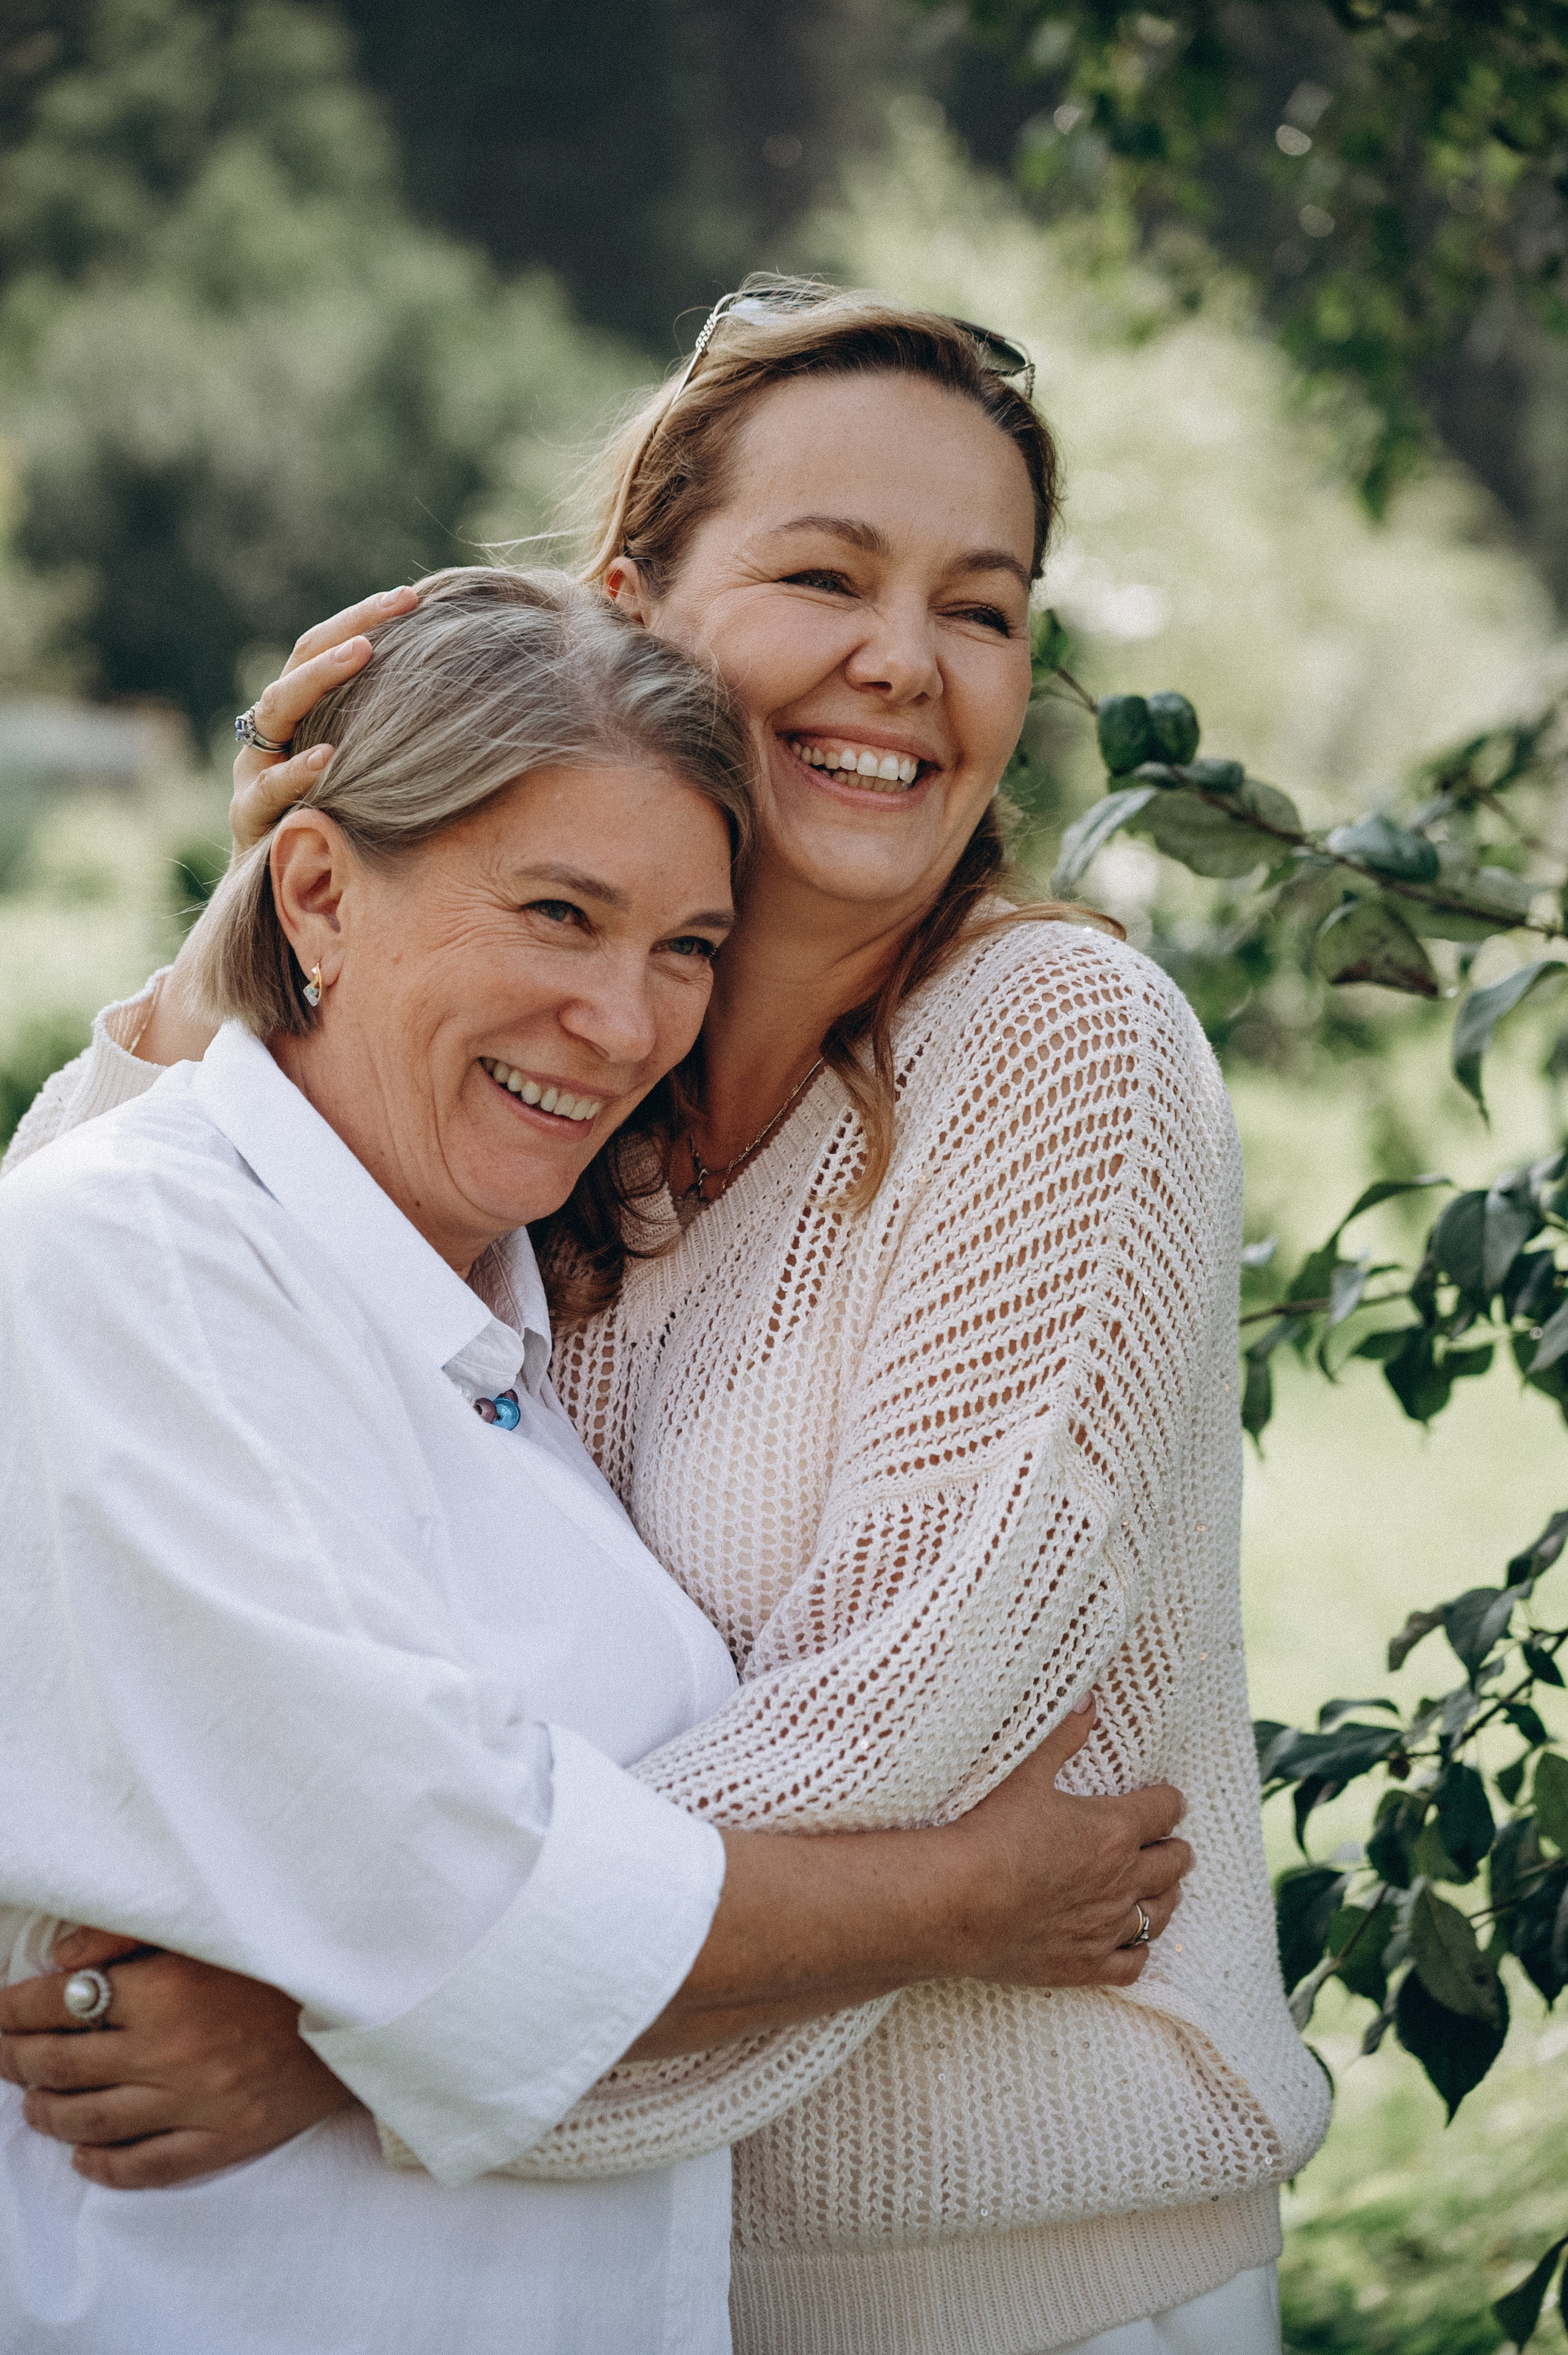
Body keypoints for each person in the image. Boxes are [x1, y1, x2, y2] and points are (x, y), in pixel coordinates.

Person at [2, 282, 1329, 2353]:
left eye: (982, 608)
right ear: (633, 605)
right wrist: (256, 934)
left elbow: (915, 1734)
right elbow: (144, 1342)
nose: (906, 658)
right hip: (637, 2283)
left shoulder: (1062, 1049)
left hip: (1010, 2294)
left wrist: (345, 2026)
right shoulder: (576, 1127)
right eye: (825, 573)